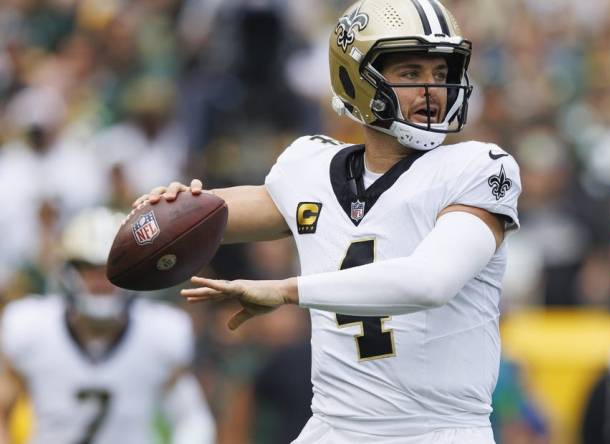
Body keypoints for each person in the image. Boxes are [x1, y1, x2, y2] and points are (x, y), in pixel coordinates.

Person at [136, 0, 521, 442]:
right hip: (333, 428)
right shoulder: (310, 167)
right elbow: (209, 217)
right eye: (411, 74)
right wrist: (166, 205)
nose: (432, 90)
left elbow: (430, 281)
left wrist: (285, 291)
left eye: (440, 73)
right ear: (354, 76)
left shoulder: (479, 167)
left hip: (435, 431)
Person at [0, 208, 216, 444]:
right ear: (69, 273)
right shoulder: (32, 329)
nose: (102, 282)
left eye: (113, 270)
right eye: (91, 270)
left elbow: (192, 420)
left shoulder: (160, 334)